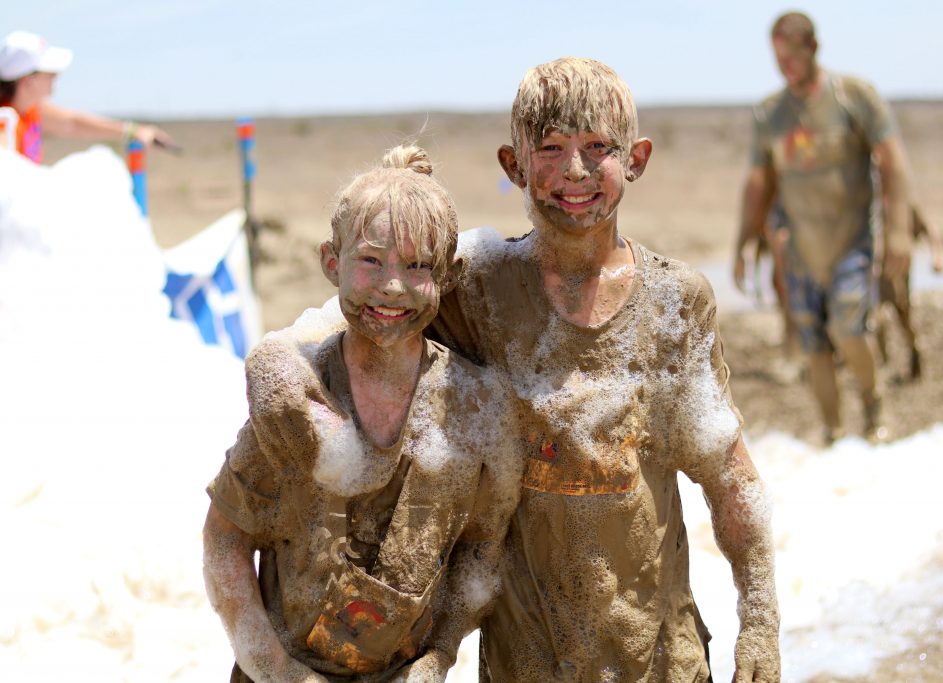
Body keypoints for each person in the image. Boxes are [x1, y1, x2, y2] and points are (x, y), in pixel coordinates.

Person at [244, 57, 781, 682]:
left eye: (598, 148)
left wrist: (761, 628)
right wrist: (276, 361)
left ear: (636, 159)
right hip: (524, 659)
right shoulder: (478, 290)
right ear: (513, 164)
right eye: (550, 148)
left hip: (662, 656)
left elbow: (731, 480)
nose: (575, 171)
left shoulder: (674, 301)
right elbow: (360, 322)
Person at [202, 145, 523, 682]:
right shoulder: (301, 399)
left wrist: (439, 657)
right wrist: (277, 670)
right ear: (332, 262)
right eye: (371, 261)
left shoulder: (476, 407)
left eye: (418, 266)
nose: (392, 286)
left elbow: (482, 549)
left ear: (448, 276)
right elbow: (224, 539)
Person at [733, 11, 913, 444]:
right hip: (799, 246)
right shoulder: (771, 114)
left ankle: (875, 410)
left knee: (850, 331)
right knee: (812, 342)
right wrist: (744, 239)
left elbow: (892, 163)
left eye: (792, 56)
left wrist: (900, 231)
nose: (785, 66)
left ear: (813, 48)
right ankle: (831, 428)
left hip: (851, 239)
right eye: (778, 58)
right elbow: (760, 180)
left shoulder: (855, 96)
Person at [0, 30, 174, 163]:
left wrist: (132, 131)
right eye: (50, 72)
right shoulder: (4, 123)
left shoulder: (29, 109)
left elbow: (72, 122)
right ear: (27, 81)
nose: (56, 76)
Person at [877, 204, 943, 379]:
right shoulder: (865, 200)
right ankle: (883, 363)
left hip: (898, 274)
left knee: (903, 318)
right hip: (873, 274)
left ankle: (914, 351)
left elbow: (929, 229)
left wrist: (938, 257)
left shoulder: (901, 203)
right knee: (877, 318)